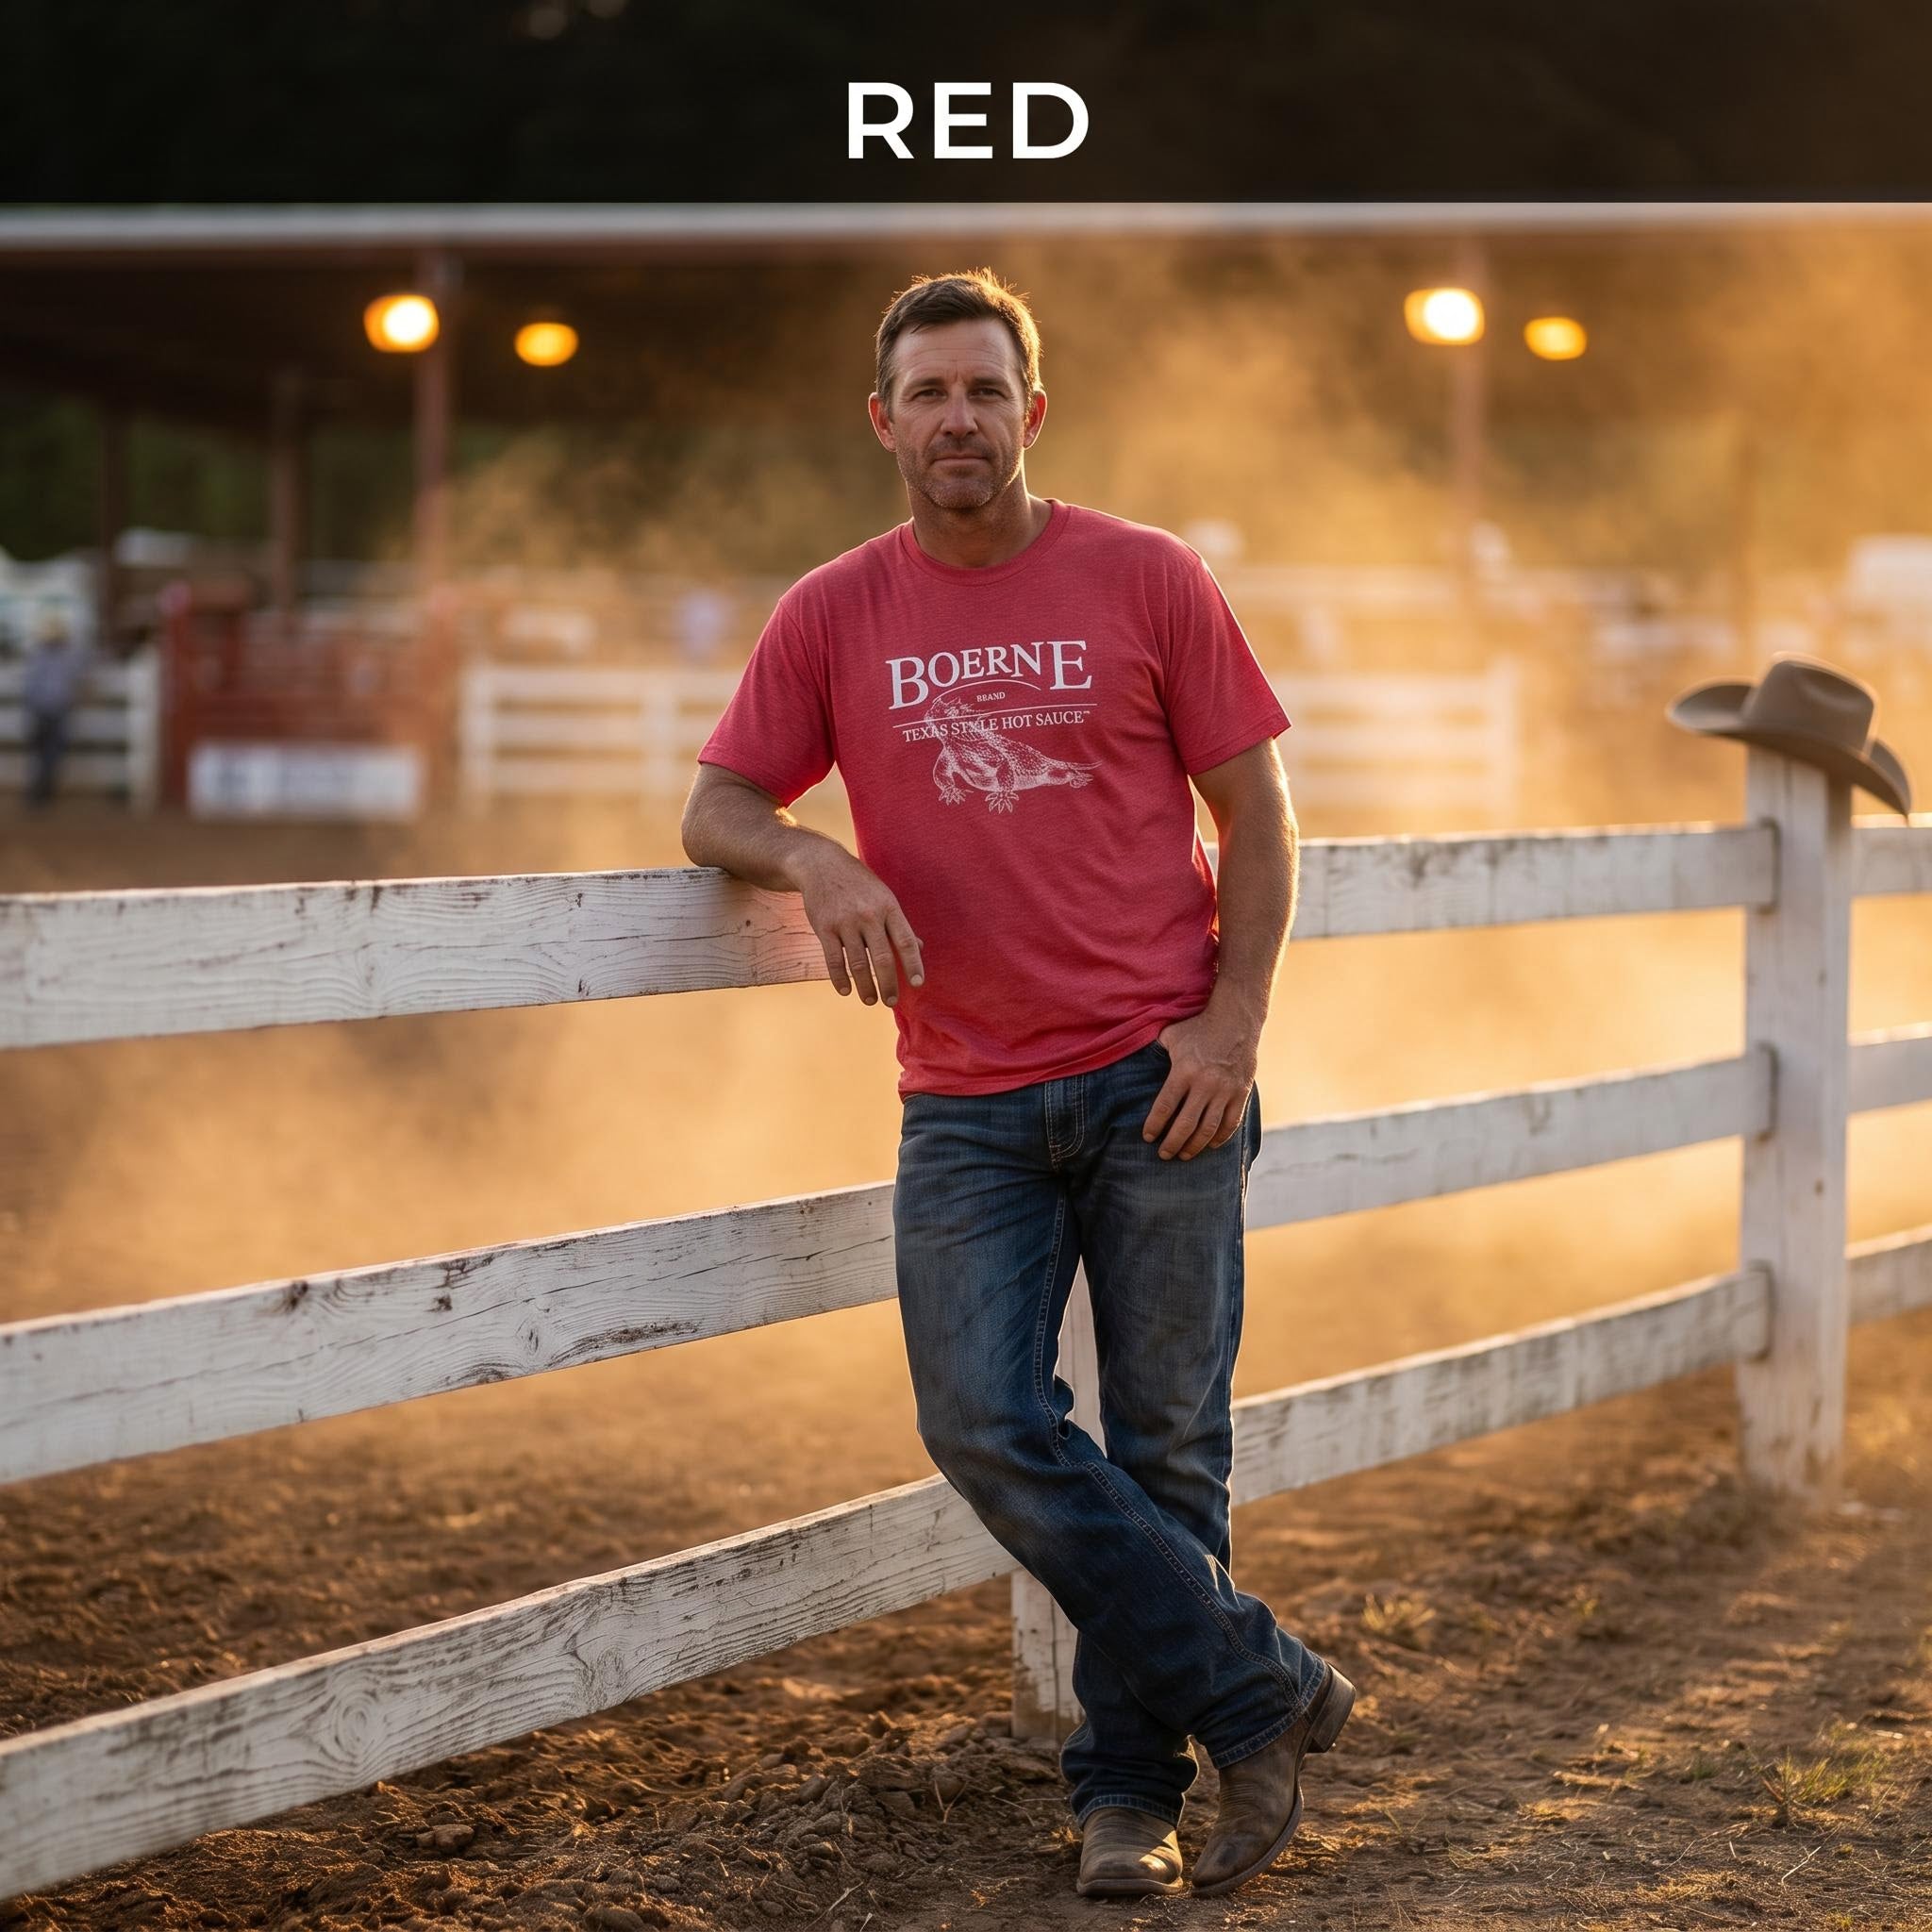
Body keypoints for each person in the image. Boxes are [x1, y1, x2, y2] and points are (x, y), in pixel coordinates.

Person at [680, 269, 1353, 1902]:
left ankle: (1128, 1797)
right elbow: (713, 803)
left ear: (1030, 411)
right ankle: (1263, 1682)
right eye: (927, 394)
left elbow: (1256, 815)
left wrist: (1231, 1024)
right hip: (964, 1097)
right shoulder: (832, 610)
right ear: (883, 423)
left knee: (1168, 1446)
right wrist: (806, 853)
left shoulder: (1146, 576)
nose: (957, 420)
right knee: (981, 1414)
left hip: (1158, 1077)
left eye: (985, 390)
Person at [22, 616, 91, 808]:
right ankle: (38, 792)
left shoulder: (56, 656)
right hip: (45, 710)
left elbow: (30, 686)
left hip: (52, 710)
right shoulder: (49, 656)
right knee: (43, 753)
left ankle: (41, 792)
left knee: (49, 753)